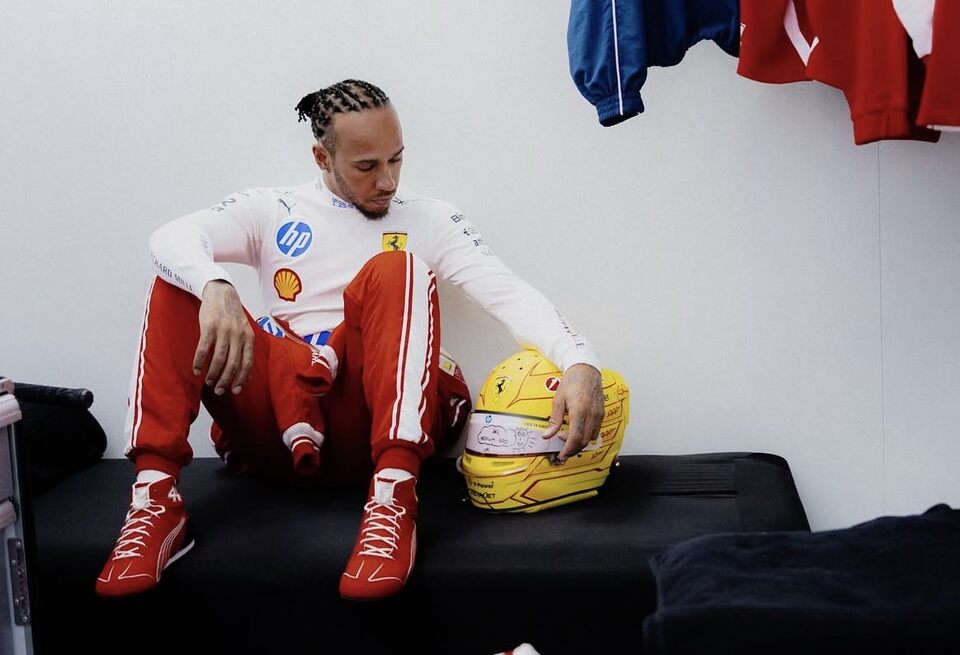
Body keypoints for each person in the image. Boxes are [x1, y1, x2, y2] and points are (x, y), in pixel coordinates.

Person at [95, 79, 605, 602]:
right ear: (322, 157)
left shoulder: (429, 218)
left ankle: (394, 499)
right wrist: (214, 284)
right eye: (366, 166)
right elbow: (170, 237)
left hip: (368, 423)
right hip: (279, 424)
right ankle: (156, 501)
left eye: (396, 159)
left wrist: (578, 359)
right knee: (176, 285)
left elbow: (507, 292)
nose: (387, 181)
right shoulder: (273, 209)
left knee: (398, 268)